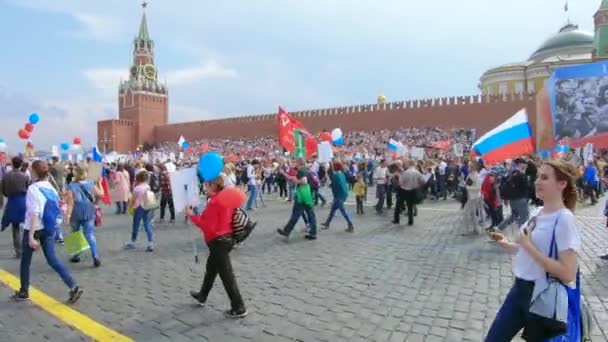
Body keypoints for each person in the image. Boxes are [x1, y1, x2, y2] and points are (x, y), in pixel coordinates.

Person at [486, 159, 580, 340]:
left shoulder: (564, 220)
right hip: (519, 289)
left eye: (544, 178)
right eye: (537, 176)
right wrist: (507, 243)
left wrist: (528, 246)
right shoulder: (537, 212)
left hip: (541, 294)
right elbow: (526, 249)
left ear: (562, 184)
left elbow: (568, 273)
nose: (537, 182)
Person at [11, 160, 83, 303]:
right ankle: (73, 285)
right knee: (52, 259)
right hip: (48, 228)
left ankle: (24, 291)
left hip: (34, 228)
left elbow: (34, 213)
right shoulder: (50, 187)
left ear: (35, 172)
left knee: (25, 261)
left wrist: (31, 236)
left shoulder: (33, 189)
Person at [186, 175, 247, 318]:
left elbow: (208, 226)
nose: (205, 187)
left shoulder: (215, 202)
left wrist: (191, 215)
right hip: (226, 239)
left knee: (227, 276)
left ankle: (239, 307)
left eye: (207, 184)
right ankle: (202, 295)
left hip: (218, 241)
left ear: (213, 186)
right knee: (211, 269)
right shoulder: (223, 198)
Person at [66, 165, 103, 267]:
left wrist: (68, 216)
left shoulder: (71, 186)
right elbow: (101, 194)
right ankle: (95, 256)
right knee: (90, 234)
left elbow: (70, 202)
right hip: (89, 210)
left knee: (75, 233)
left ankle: (76, 255)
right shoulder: (91, 184)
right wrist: (100, 183)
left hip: (76, 211)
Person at [277, 158, 318, 240]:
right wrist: (286, 175)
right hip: (306, 194)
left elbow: (303, 181)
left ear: (298, 163)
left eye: (295, 162)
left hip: (302, 195)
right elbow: (294, 178)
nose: (294, 163)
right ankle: (313, 233)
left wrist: (295, 180)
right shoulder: (304, 169)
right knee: (310, 214)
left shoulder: (302, 170)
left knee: (296, 214)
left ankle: (287, 231)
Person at [0, 157, 29, 258]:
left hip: (12, 201)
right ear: (21, 165)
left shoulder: (6, 176)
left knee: (15, 227)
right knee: (28, 224)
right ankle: (29, 246)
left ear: (12, 164)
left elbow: (3, 191)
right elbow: (28, 189)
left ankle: (19, 251)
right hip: (23, 201)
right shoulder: (25, 176)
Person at [125, 171, 154, 252]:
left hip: (138, 208)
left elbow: (132, 199)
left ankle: (133, 242)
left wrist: (129, 207)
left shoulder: (137, 188)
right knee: (147, 225)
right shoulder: (148, 186)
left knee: (136, 225)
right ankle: (150, 243)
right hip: (147, 207)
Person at [321, 161, 354, 232]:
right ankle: (327, 223)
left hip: (338, 196)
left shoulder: (336, 176)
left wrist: (330, 184)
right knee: (333, 210)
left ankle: (350, 224)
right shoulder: (341, 174)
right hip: (342, 194)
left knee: (343, 211)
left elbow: (334, 185)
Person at [393, 160, 424, 226]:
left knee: (398, 205)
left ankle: (396, 219)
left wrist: (398, 178)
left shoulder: (406, 172)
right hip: (413, 190)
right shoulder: (417, 172)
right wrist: (417, 186)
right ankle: (410, 221)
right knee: (410, 206)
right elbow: (422, 181)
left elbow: (400, 182)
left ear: (408, 164)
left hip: (404, 190)